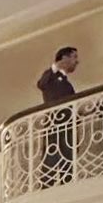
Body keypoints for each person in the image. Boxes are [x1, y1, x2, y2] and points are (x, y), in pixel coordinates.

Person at [36, 45, 79, 186]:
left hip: (68, 127)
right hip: (55, 125)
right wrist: (55, 66)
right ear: (64, 58)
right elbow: (41, 84)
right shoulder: (51, 76)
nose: (77, 61)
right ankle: (47, 188)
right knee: (52, 158)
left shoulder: (68, 85)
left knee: (68, 160)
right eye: (74, 57)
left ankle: (68, 185)